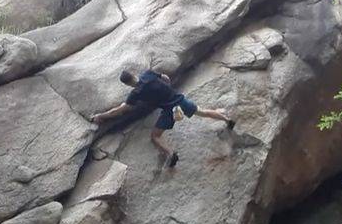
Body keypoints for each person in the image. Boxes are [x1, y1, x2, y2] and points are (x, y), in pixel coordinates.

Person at [92, 68, 235, 167]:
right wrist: (166, 88)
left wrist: (100, 116)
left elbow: (120, 110)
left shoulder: (135, 94)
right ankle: (227, 119)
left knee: (155, 136)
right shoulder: (148, 74)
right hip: (179, 100)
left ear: (127, 83)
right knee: (203, 112)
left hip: (169, 111)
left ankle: (171, 154)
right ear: (133, 74)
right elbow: (165, 78)